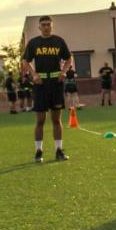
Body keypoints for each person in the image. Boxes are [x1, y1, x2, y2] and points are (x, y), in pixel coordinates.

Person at [22, 15, 72, 163]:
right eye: (43, 25)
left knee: (56, 119)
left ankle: (59, 150)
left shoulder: (58, 41)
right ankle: (38, 151)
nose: (46, 27)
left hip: (56, 83)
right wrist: (34, 74)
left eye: (48, 24)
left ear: (52, 26)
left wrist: (63, 72)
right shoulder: (34, 43)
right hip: (40, 84)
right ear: (39, 27)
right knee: (40, 120)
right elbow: (25, 60)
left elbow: (69, 58)